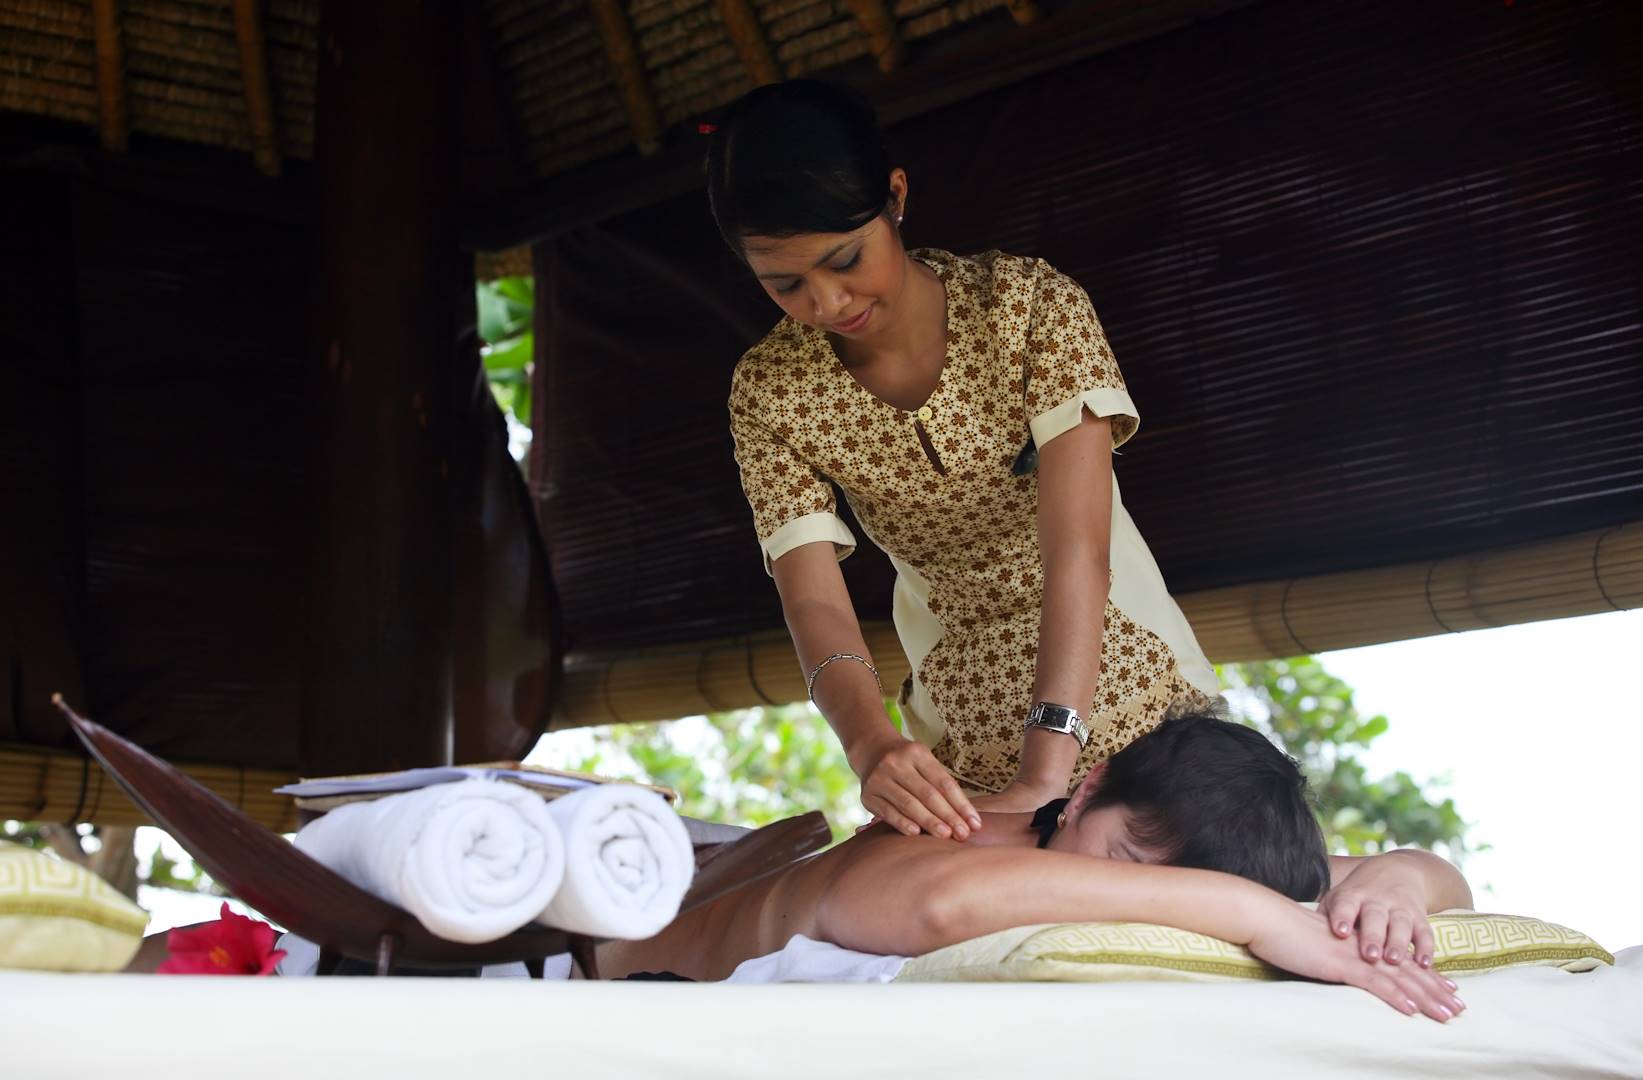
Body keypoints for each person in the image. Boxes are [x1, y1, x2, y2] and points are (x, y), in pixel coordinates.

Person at [711, 79, 1221, 842]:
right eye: (784, 283)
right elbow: (813, 599)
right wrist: (872, 743)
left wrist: (1046, 768)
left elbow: (1076, 550)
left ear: (895, 196)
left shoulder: (1028, 308)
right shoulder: (768, 391)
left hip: (1129, 674)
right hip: (958, 711)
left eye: (845, 258)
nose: (826, 300)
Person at [597, 713, 1472, 1024]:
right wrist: (1252, 914)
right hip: (611, 947)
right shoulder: (954, 836)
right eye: (1123, 862)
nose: (1136, 899)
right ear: (1087, 789)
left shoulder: (1223, 863)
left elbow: (1441, 881)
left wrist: (1393, 878)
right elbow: (941, 905)